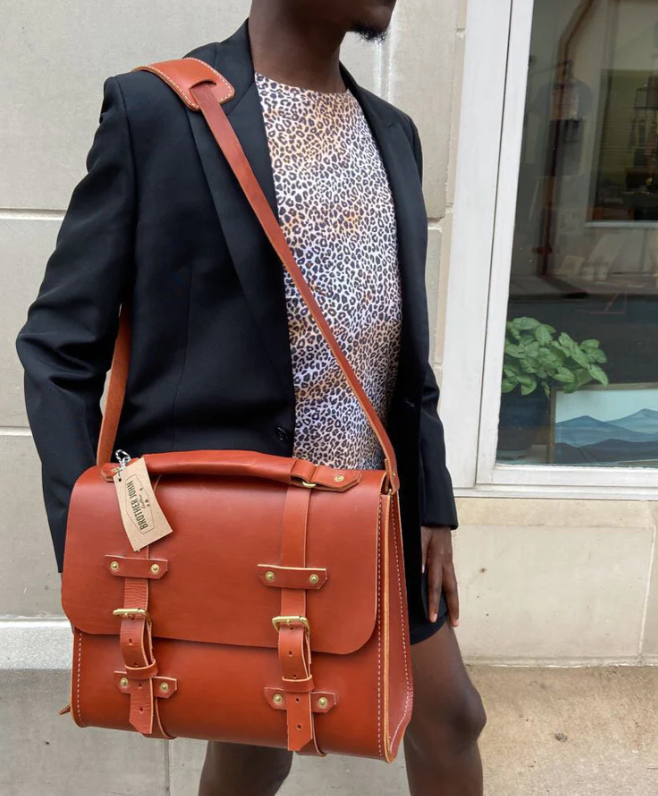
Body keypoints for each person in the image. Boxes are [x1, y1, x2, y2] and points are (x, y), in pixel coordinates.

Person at [15, 2, 486, 794]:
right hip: (236, 526)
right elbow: (58, 350)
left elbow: (405, 349)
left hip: (371, 511)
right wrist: (90, 535)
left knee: (450, 716)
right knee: (255, 736)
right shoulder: (160, 112)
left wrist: (433, 500)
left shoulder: (392, 132)